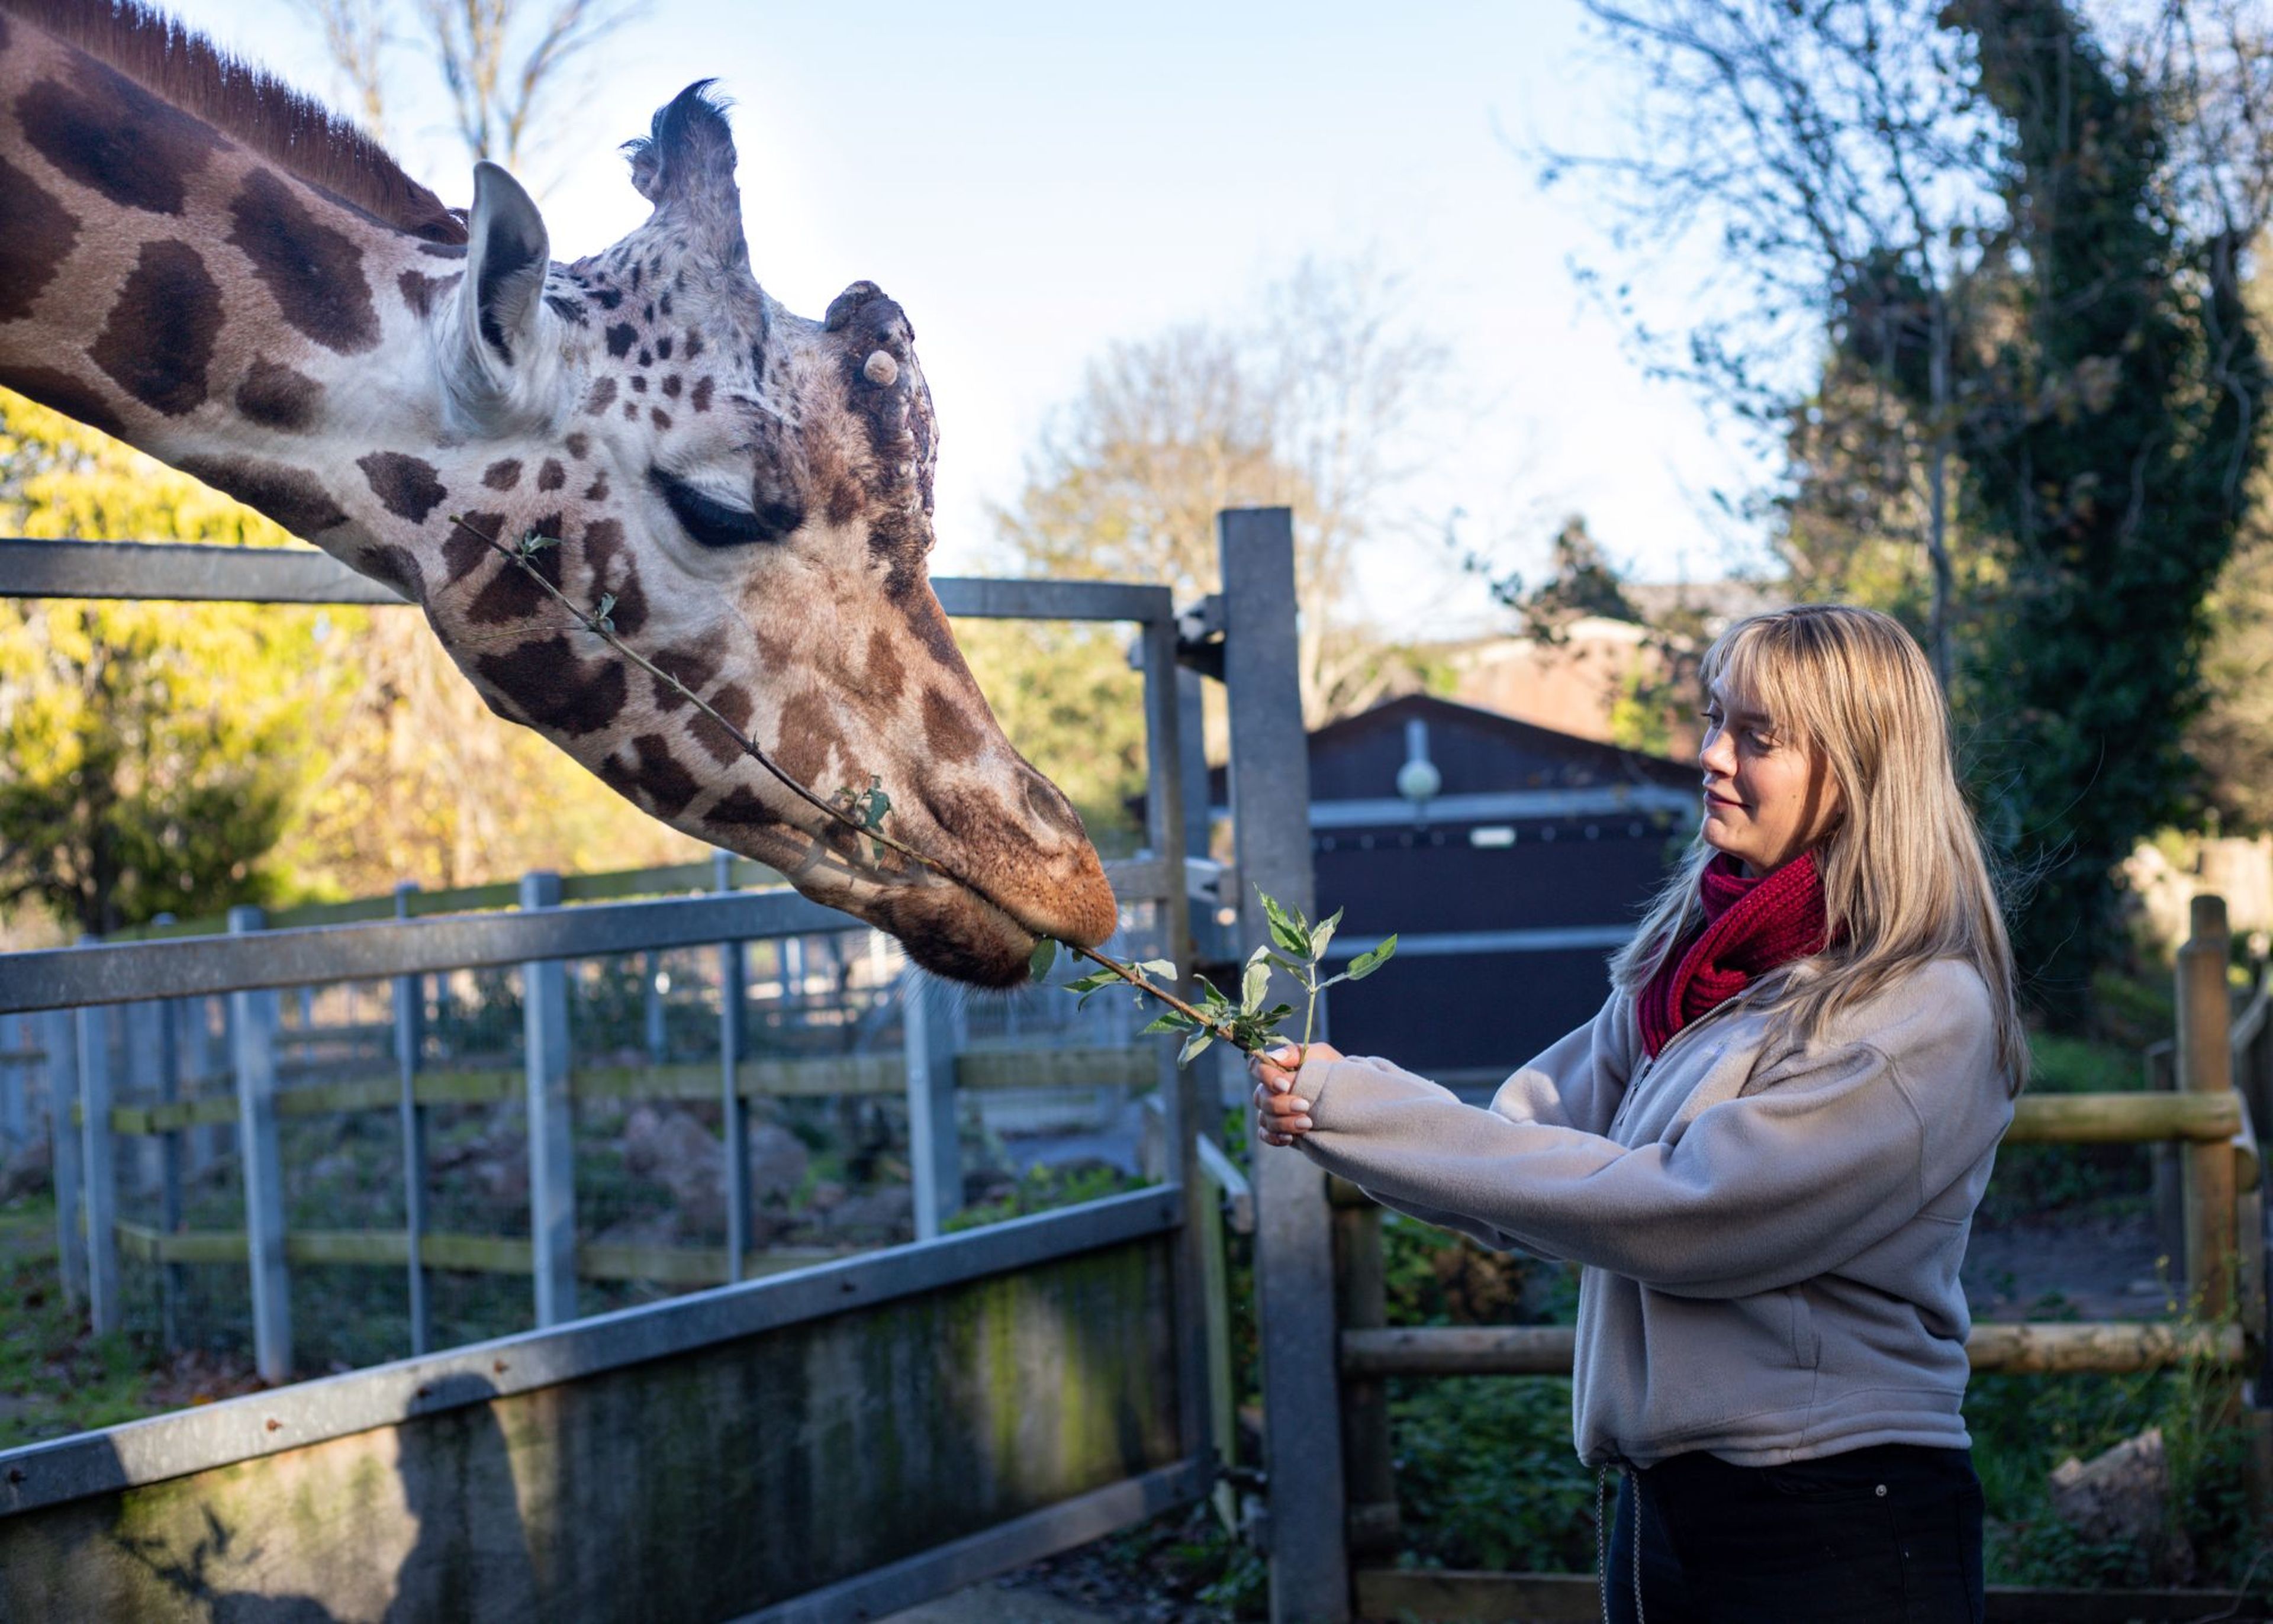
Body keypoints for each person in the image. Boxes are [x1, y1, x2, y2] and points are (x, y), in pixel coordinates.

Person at [1251, 604, 2023, 1624]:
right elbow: (1522, 1153)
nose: (1710, 756)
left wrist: (1359, 1106)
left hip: (1832, 1516)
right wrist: (1336, 1110)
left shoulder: (1920, 1011)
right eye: (1714, 721)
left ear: (1863, 767)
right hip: (1660, 1508)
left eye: (1758, 735)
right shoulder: (1689, 976)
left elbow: (1688, 1216)